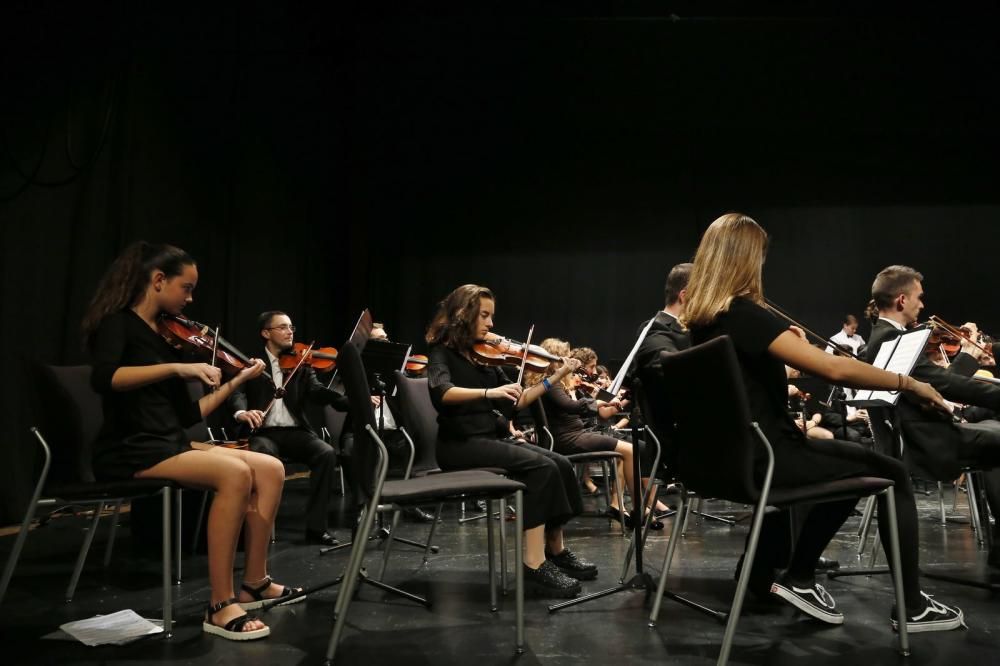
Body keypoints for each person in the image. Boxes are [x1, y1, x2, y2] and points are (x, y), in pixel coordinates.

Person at [680, 214, 965, 632]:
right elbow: (835, 370)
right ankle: (908, 604)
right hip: (771, 456)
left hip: (727, 461)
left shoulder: (704, 323)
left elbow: (750, 380)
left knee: (847, 460)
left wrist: (785, 353)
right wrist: (910, 383)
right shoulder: (745, 314)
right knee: (889, 470)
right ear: (744, 260)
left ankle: (785, 576)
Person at [82, 241, 300, 641]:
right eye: (186, 287)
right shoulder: (119, 324)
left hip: (168, 439)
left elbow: (187, 416)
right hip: (130, 446)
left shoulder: (166, 337)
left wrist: (235, 380)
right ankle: (219, 604)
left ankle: (254, 581)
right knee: (235, 474)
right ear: (158, 280)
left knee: (270, 468)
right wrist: (178, 367)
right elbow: (104, 378)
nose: (191, 297)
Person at [425, 284, 596, 597]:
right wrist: (488, 393)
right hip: (459, 444)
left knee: (558, 462)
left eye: (492, 316)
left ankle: (556, 551)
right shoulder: (442, 353)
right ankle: (533, 563)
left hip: (489, 437)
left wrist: (555, 376)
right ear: (463, 315)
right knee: (540, 468)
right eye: (484, 316)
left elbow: (516, 402)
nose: (491, 324)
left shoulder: (485, 357)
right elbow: (442, 393)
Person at [865, 264, 1000, 566]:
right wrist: (966, 356)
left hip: (925, 433)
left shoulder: (887, 336)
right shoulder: (891, 341)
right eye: (919, 297)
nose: (923, 305)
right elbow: (947, 385)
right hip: (927, 441)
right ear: (902, 300)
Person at [228, 311, 351, 546]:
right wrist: (242, 413)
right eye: (283, 327)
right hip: (262, 433)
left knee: (325, 453)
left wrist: (351, 398)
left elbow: (317, 392)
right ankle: (256, 529)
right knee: (263, 455)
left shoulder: (301, 364)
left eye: (291, 327)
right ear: (266, 333)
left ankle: (317, 529)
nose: (290, 332)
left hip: (295, 432)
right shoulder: (251, 365)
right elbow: (237, 393)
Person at [527, 339, 660, 529]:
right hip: (569, 438)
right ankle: (639, 509)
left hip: (576, 434)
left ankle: (638, 507)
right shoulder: (551, 385)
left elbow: (586, 407)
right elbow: (571, 407)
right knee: (630, 450)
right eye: (564, 356)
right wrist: (596, 401)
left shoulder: (558, 384)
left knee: (630, 450)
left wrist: (609, 397)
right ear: (554, 359)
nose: (568, 361)